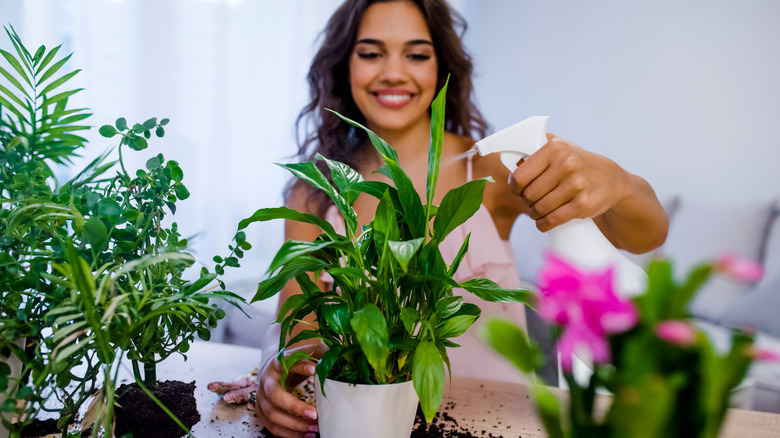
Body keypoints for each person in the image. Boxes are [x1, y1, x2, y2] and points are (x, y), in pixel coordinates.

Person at [241, 1, 669, 437]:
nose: (393, 72)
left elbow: (645, 235)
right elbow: (300, 332)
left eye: (416, 54)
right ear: (343, 66)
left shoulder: (492, 170)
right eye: (370, 53)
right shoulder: (316, 191)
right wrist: (277, 372)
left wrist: (617, 182)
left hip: (495, 426)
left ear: (442, 66)